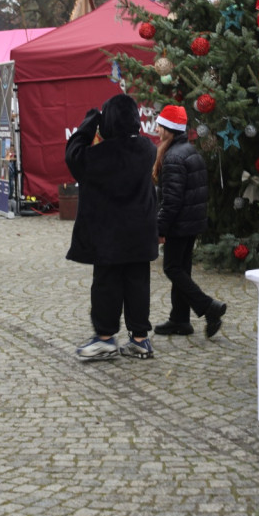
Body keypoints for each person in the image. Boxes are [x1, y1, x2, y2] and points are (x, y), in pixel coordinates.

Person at [66, 94, 158, 361]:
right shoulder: (147, 149)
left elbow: (73, 154)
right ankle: (140, 339)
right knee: (138, 284)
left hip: (109, 235)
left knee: (106, 285)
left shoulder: (99, 156)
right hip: (140, 232)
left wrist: (90, 122)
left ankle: (105, 338)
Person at [151, 105, 227, 338]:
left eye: (160, 125)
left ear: (169, 129)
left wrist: (159, 228)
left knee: (172, 268)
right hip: (191, 222)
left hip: (180, 224)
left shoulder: (173, 157)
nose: (157, 128)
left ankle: (208, 307)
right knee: (181, 269)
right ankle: (180, 320)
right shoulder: (187, 150)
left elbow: (171, 201)